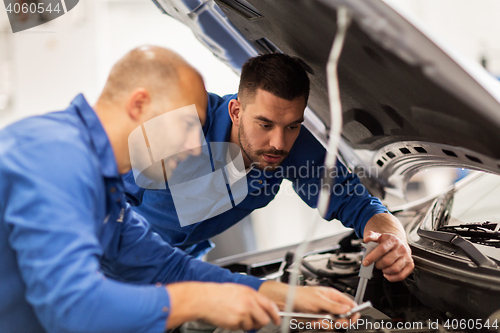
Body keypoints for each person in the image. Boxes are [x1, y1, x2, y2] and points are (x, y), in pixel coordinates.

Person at [0, 46, 358, 333]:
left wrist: (289, 295)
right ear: (139, 104)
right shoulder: (54, 156)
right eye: (188, 125)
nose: (194, 148)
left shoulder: (101, 182)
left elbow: (168, 268)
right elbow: (73, 309)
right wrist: (196, 303)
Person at [124, 53, 414, 282]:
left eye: (292, 126)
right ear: (236, 112)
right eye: (265, 124)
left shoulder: (291, 145)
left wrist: (395, 240)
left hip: (180, 265)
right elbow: (102, 198)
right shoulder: (180, 127)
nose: (278, 143)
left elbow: (357, 203)